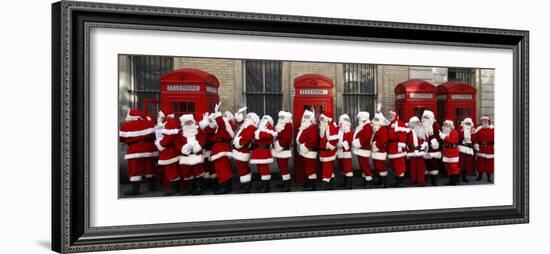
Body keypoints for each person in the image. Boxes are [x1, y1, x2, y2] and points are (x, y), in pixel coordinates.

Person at [119, 109, 159, 196]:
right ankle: (152, 186)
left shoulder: (126, 126)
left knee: (134, 169)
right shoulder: (148, 123)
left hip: (135, 149)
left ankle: (135, 190)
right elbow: (156, 135)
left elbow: (121, 139)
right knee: (150, 167)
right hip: (149, 148)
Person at [154, 108, 182, 196]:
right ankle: (175, 187)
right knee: (173, 169)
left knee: (171, 169)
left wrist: (160, 144)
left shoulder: (170, 123)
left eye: (161, 116)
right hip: (172, 149)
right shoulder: (170, 122)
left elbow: (168, 138)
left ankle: (174, 188)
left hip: (169, 150)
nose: (160, 117)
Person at [177, 114, 206, 195]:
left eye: (190, 122)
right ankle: (190, 187)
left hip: (196, 154)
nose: (189, 124)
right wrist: (184, 148)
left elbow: (203, 139)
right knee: (186, 171)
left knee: (198, 170)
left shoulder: (198, 131)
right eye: (187, 123)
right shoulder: (181, 132)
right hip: (186, 155)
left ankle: (199, 187)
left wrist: (197, 147)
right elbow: (177, 142)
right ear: (183, 124)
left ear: (193, 122)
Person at [209, 103, 235, 194]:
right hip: (221, 147)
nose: (223, 115)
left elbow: (220, 122)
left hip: (221, 147)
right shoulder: (224, 125)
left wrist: (217, 112)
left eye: (225, 115)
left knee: (221, 168)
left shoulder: (226, 124)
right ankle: (228, 186)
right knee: (225, 168)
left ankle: (224, 188)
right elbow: (212, 128)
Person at [232, 112, 259, 193]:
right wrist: (238, 116)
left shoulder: (251, 127)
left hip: (242, 151)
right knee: (243, 168)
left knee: (242, 169)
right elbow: (241, 123)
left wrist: (238, 144)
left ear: (252, 120)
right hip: (240, 151)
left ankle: (246, 186)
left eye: (248, 117)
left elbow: (246, 138)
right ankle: (246, 184)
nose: (246, 119)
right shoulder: (247, 125)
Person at [251, 115, 277, 192]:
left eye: (265, 119)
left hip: (264, 150)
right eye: (262, 119)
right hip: (258, 150)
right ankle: (262, 184)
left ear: (269, 121)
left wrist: (258, 134)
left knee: (264, 168)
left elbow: (269, 135)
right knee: (260, 168)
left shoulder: (270, 128)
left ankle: (266, 187)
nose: (263, 120)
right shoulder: (260, 128)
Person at [296, 109, 319, 191]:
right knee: (306, 169)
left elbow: (313, 140)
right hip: (304, 152)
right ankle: (308, 183)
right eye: (304, 117)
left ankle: (313, 186)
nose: (305, 119)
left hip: (309, 151)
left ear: (311, 119)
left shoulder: (312, 127)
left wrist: (304, 146)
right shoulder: (303, 127)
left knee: (310, 169)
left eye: (307, 117)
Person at [386, 110, 409, 187]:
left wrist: (401, 146)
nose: (390, 116)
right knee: (395, 166)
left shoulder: (400, 123)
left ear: (395, 115)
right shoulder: (390, 124)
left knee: (399, 166)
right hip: (392, 147)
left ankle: (400, 183)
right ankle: (398, 182)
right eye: (389, 115)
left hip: (398, 148)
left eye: (392, 115)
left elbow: (403, 136)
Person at [272, 110, 293, 192]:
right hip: (278, 150)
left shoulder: (288, 125)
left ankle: (287, 186)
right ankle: (284, 182)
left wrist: (278, 144)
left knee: (284, 168)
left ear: (286, 118)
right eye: (280, 117)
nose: (280, 118)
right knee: (281, 168)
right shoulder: (279, 125)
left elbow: (287, 139)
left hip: (283, 149)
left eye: (282, 117)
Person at [352, 111, 374, 188]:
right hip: (360, 149)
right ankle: (365, 180)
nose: (358, 120)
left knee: (365, 166)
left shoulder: (367, 127)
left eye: (359, 118)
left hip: (363, 149)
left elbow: (365, 138)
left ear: (363, 119)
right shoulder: (363, 126)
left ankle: (369, 181)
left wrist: (356, 143)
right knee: (362, 166)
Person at [318, 111, 339, 190]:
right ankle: (332, 183)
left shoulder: (331, 126)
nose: (321, 121)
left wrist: (328, 146)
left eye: (323, 119)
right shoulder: (323, 127)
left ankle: (325, 183)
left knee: (327, 168)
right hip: (323, 151)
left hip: (328, 151)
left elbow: (335, 139)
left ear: (327, 120)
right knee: (328, 167)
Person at [406, 116, 428, 186]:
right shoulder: (408, 131)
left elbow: (426, 139)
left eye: (417, 122)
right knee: (412, 167)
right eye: (415, 123)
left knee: (421, 167)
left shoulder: (422, 130)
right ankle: (413, 180)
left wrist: (425, 145)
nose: (417, 124)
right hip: (412, 151)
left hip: (420, 151)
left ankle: (421, 181)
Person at [371, 107, 389, 188]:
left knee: (381, 167)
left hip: (380, 151)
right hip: (376, 151)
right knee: (377, 167)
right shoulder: (376, 129)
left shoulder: (382, 130)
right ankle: (380, 180)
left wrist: (376, 146)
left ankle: (383, 182)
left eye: (377, 121)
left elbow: (383, 140)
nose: (375, 123)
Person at [422, 110, 441, 186]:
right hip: (424, 148)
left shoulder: (435, 125)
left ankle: (434, 181)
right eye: (424, 117)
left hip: (433, 148)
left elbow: (439, 136)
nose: (425, 119)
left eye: (427, 117)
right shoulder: (422, 125)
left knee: (434, 164)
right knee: (424, 164)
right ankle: (424, 180)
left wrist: (435, 142)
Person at [198, 112, 217, 191]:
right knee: (205, 167)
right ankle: (207, 183)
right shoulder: (202, 130)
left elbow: (211, 133)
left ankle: (214, 184)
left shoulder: (212, 128)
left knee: (212, 167)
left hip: (211, 149)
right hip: (204, 150)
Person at [474, 116, 495, 182]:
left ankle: (489, 177)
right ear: (481, 122)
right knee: (480, 163)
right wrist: (476, 144)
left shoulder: (493, 129)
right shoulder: (478, 129)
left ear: (488, 121)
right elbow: (474, 138)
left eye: (486, 120)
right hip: (481, 148)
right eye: (483, 121)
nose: (485, 122)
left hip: (490, 148)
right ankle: (480, 176)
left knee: (489, 164)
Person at [440, 120, 460, 186]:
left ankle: (455, 181)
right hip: (446, 152)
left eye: (447, 125)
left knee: (453, 168)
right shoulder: (444, 133)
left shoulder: (454, 132)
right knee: (448, 168)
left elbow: (453, 141)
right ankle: (450, 181)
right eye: (444, 125)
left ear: (450, 126)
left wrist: (444, 137)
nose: (445, 126)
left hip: (453, 152)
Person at [337, 114, 354, 189]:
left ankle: (349, 184)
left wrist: (343, 144)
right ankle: (345, 182)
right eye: (343, 122)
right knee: (342, 167)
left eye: (347, 121)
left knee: (348, 168)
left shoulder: (350, 130)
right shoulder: (338, 130)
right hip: (339, 151)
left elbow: (351, 141)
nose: (345, 123)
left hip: (346, 152)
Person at [457, 118, 475, 183]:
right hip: (461, 148)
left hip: (469, 149)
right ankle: (458, 177)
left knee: (467, 164)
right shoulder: (460, 128)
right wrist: (465, 135)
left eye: (469, 124)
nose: (467, 125)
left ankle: (464, 177)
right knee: (460, 164)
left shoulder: (472, 129)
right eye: (466, 123)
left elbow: (474, 138)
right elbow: (459, 136)